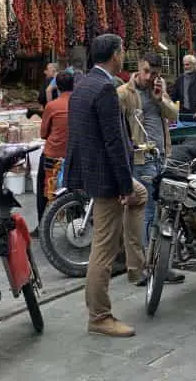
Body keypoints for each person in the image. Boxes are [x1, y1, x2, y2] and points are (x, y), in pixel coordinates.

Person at [64, 33, 148, 338]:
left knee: (141, 195)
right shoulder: (104, 88)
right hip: (106, 178)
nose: (123, 55)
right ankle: (99, 315)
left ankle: (137, 264)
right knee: (103, 248)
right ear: (115, 54)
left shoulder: (83, 85)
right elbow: (113, 142)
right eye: (122, 50)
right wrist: (123, 184)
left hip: (90, 173)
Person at [117, 53, 181, 271]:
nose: (149, 77)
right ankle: (146, 264)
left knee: (160, 213)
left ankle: (155, 262)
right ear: (138, 68)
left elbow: (173, 116)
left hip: (161, 157)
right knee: (147, 212)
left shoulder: (157, 90)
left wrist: (159, 98)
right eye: (146, 72)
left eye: (154, 73)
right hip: (140, 159)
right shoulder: (125, 93)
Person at [34, 70, 74, 236]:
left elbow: (43, 134)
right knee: (74, 190)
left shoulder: (52, 106)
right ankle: (74, 223)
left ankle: (42, 226)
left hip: (53, 155)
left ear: (57, 86)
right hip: (73, 155)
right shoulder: (79, 103)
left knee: (44, 189)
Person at [169, 55, 196, 121]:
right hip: (183, 114)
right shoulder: (179, 79)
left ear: (194, 65)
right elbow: (173, 96)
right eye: (184, 65)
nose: (185, 67)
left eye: (187, 65)